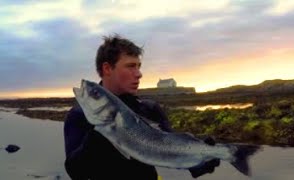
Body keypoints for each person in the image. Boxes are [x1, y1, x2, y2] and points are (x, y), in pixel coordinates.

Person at [63, 34, 220, 180]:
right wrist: (100, 136)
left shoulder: (149, 108)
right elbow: (75, 172)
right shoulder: (79, 115)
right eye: (131, 66)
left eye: (139, 66)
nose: (139, 74)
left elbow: (171, 152)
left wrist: (202, 160)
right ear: (107, 69)